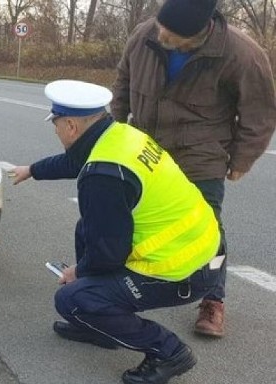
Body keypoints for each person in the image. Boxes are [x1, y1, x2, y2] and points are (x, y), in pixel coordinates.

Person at [12, 79, 224, 384]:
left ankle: (168, 351)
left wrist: (77, 271)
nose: (55, 130)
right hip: (203, 247)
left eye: (55, 124)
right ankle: (99, 326)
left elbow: (109, 253)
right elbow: (75, 161)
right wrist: (32, 170)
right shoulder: (120, 135)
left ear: (71, 125)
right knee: (86, 229)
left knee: (72, 299)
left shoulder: (103, 176)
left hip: (183, 269)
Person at [110, 0, 276, 337]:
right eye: (162, 28)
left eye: (174, 35)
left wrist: (242, 160)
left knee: (209, 235)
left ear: (203, 30)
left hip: (200, 159)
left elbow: (260, 114)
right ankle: (122, 290)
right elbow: (122, 89)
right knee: (133, 221)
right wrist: (114, 137)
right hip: (147, 155)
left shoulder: (241, 54)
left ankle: (213, 300)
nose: (163, 36)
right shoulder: (144, 37)